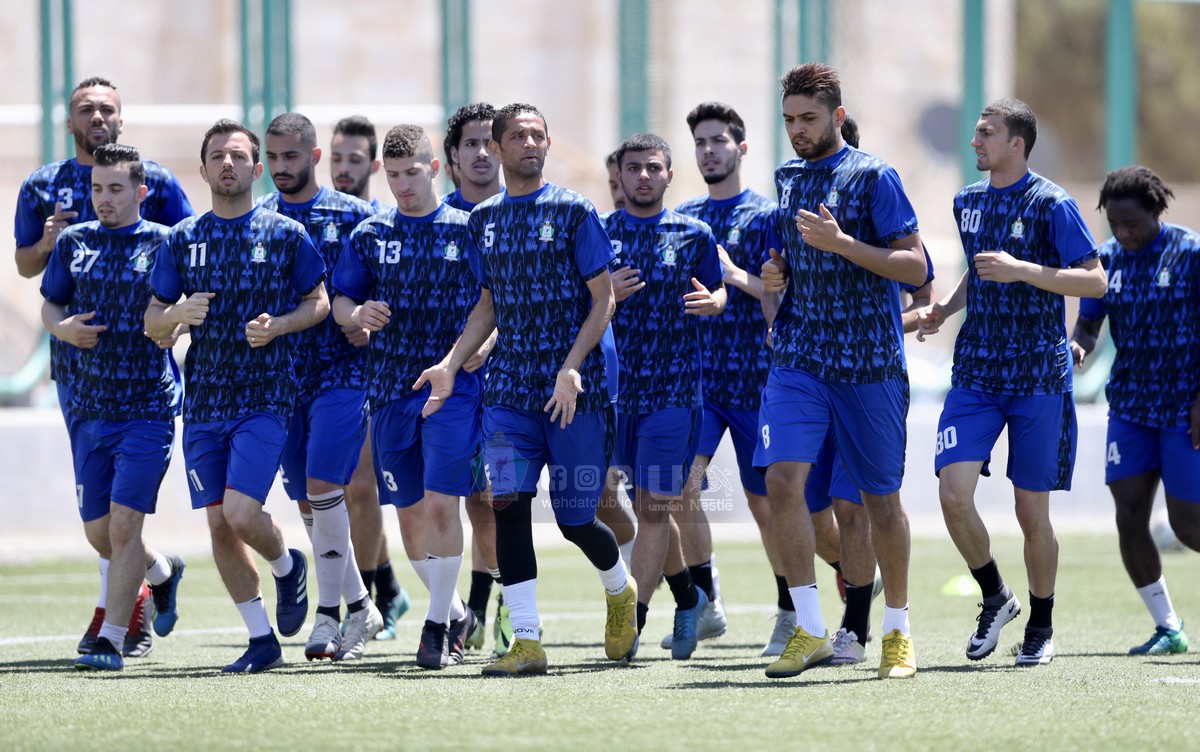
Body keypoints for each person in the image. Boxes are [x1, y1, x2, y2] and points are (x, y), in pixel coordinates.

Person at [414, 102, 638, 675]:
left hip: (575, 394)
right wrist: (450, 364)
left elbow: (603, 300)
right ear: (496, 147)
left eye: (539, 135)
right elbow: (487, 305)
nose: (531, 143)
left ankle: (620, 589)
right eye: (518, 136)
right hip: (510, 392)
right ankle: (528, 641)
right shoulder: (482, 222)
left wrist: (571, 367)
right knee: (506, 503)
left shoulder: (574, 211)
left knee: (575, 520)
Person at [918, 98, 1106, 667]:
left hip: (1038, 378)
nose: (975, 142)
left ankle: (1041, 627)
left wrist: (1022, 269)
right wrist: (944, 309)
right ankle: (996, 596)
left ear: (1016, 144)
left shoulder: (1052, 203)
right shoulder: (966, 201)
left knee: (1031, 514)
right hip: (975, 374)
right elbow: (979, 272)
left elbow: (1095, 281)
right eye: (976, 133)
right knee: (953, 495)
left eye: (985, 133)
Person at [756, 63, 928, 680]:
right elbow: (787, 264)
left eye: (808, 118)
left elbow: (915, 268)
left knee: (879, 505)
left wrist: (844, 244)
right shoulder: (786, 179)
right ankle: (808, 629)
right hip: (800, 358)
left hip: (869, 363)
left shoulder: (875, 176)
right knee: (782, 483)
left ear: (838, 116)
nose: (797, 130)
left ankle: (897, 631)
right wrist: (776, 277)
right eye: (789, 120)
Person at [14, 76, 193, 656]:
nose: (105, 198)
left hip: (145, 398)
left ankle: (113, 633)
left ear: (140, 190)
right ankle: (160, 571)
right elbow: (39, 285)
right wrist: (62, 327)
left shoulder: (164, 229)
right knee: (101, 531)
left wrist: (174, 321)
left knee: (122, 524)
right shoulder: (62, 222)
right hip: (83, 392)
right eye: (98, 189)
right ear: (69, 121)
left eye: (117, 188)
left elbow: (193, 276)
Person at [144, 118, 327, 673]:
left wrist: (280, 325)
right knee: (220, 523)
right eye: (217, 156)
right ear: (203, 171)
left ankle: (286, 563)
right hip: (203, 401)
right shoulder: (182, 239)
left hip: (265, 395)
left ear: (256, 168)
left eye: (239, 156)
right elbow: (153, 320)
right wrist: (176, 314)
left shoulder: (284, 234)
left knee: (243, 512)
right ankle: (261, 639)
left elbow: (319, 302)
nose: (228, 163)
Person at [333, 123, 485, 669]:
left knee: (444, 504)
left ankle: (436, 626)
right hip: (389, 392)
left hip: (452, 389)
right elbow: (340, 301)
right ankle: (458, 612)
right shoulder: (370, 234)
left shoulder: (470, 228)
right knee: (411, 518)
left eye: (412, 173)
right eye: (393, 175)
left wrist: (483, 346)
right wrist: (357, 312)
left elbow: (498, 300)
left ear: (435, 169)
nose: (402, 184)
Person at [259, 112, 382, 662]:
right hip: (282, 380)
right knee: (310, 502)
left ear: (313, 157)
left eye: (291, 156)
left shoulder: (357, 216)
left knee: (323, 485)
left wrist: (368, 324)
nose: (280, 166)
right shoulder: (259, 218)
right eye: (273, 157)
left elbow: (389, 287)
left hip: (343, 373)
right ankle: (363, 606)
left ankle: (327, 617)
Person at [665, 101, 781, 656]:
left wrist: (737, 278)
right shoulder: (685, 218)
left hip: (759, 384)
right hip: (700, 385)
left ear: (741, 148)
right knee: (680, 488)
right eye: (700, 143)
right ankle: (708, 602)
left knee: (768, 505)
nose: (708, 151)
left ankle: (794, 608)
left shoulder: (767, 216)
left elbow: (785, 296)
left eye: (718, 141)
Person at [1069, 165, 1200, 657]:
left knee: (1189, 527)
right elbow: (1088, 326)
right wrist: (1078, 349)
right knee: (1128, 516)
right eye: (1115, 224)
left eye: (1132, 224)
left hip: (1186, 408)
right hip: (1129, 408)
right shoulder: (1106, 260)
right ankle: (1168, 627)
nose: (1123, 233)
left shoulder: (1190, 253)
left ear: (1155, 211)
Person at [604, 132, 725, 661]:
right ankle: (688, 595)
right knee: (616, 503)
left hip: (674, 393)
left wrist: (715, 301)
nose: (643, 176)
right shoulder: (598, 232)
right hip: (613, 396)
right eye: (634, 168)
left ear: (670, 175)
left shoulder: (694, 233)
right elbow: (574, 301)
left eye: (653, 167)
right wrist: (605, 293)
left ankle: (633, 620)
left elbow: (718, 289)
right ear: (620, 176)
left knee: (655, 507)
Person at [328, 113, 411, 641]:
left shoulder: (384, 223)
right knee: (334, 491)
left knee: (360, 487)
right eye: (337, 158)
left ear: (374, 165)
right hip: (319, 372)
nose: (344, 168)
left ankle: (374, 600)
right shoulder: (316, 216)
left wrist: (370, 325)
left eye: (354, 159)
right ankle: (388, 586)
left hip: (372, 373)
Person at [441, 102, 509, 656]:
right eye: (471, 143)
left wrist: (491, 341)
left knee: (501, 496)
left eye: (491, 142)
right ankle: (479, 609)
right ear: (453, 157)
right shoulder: (440, 219)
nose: (482, 152)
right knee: (472, 501)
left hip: (513, 379)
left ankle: (510, 607)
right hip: (454, 382)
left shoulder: (525, 213)